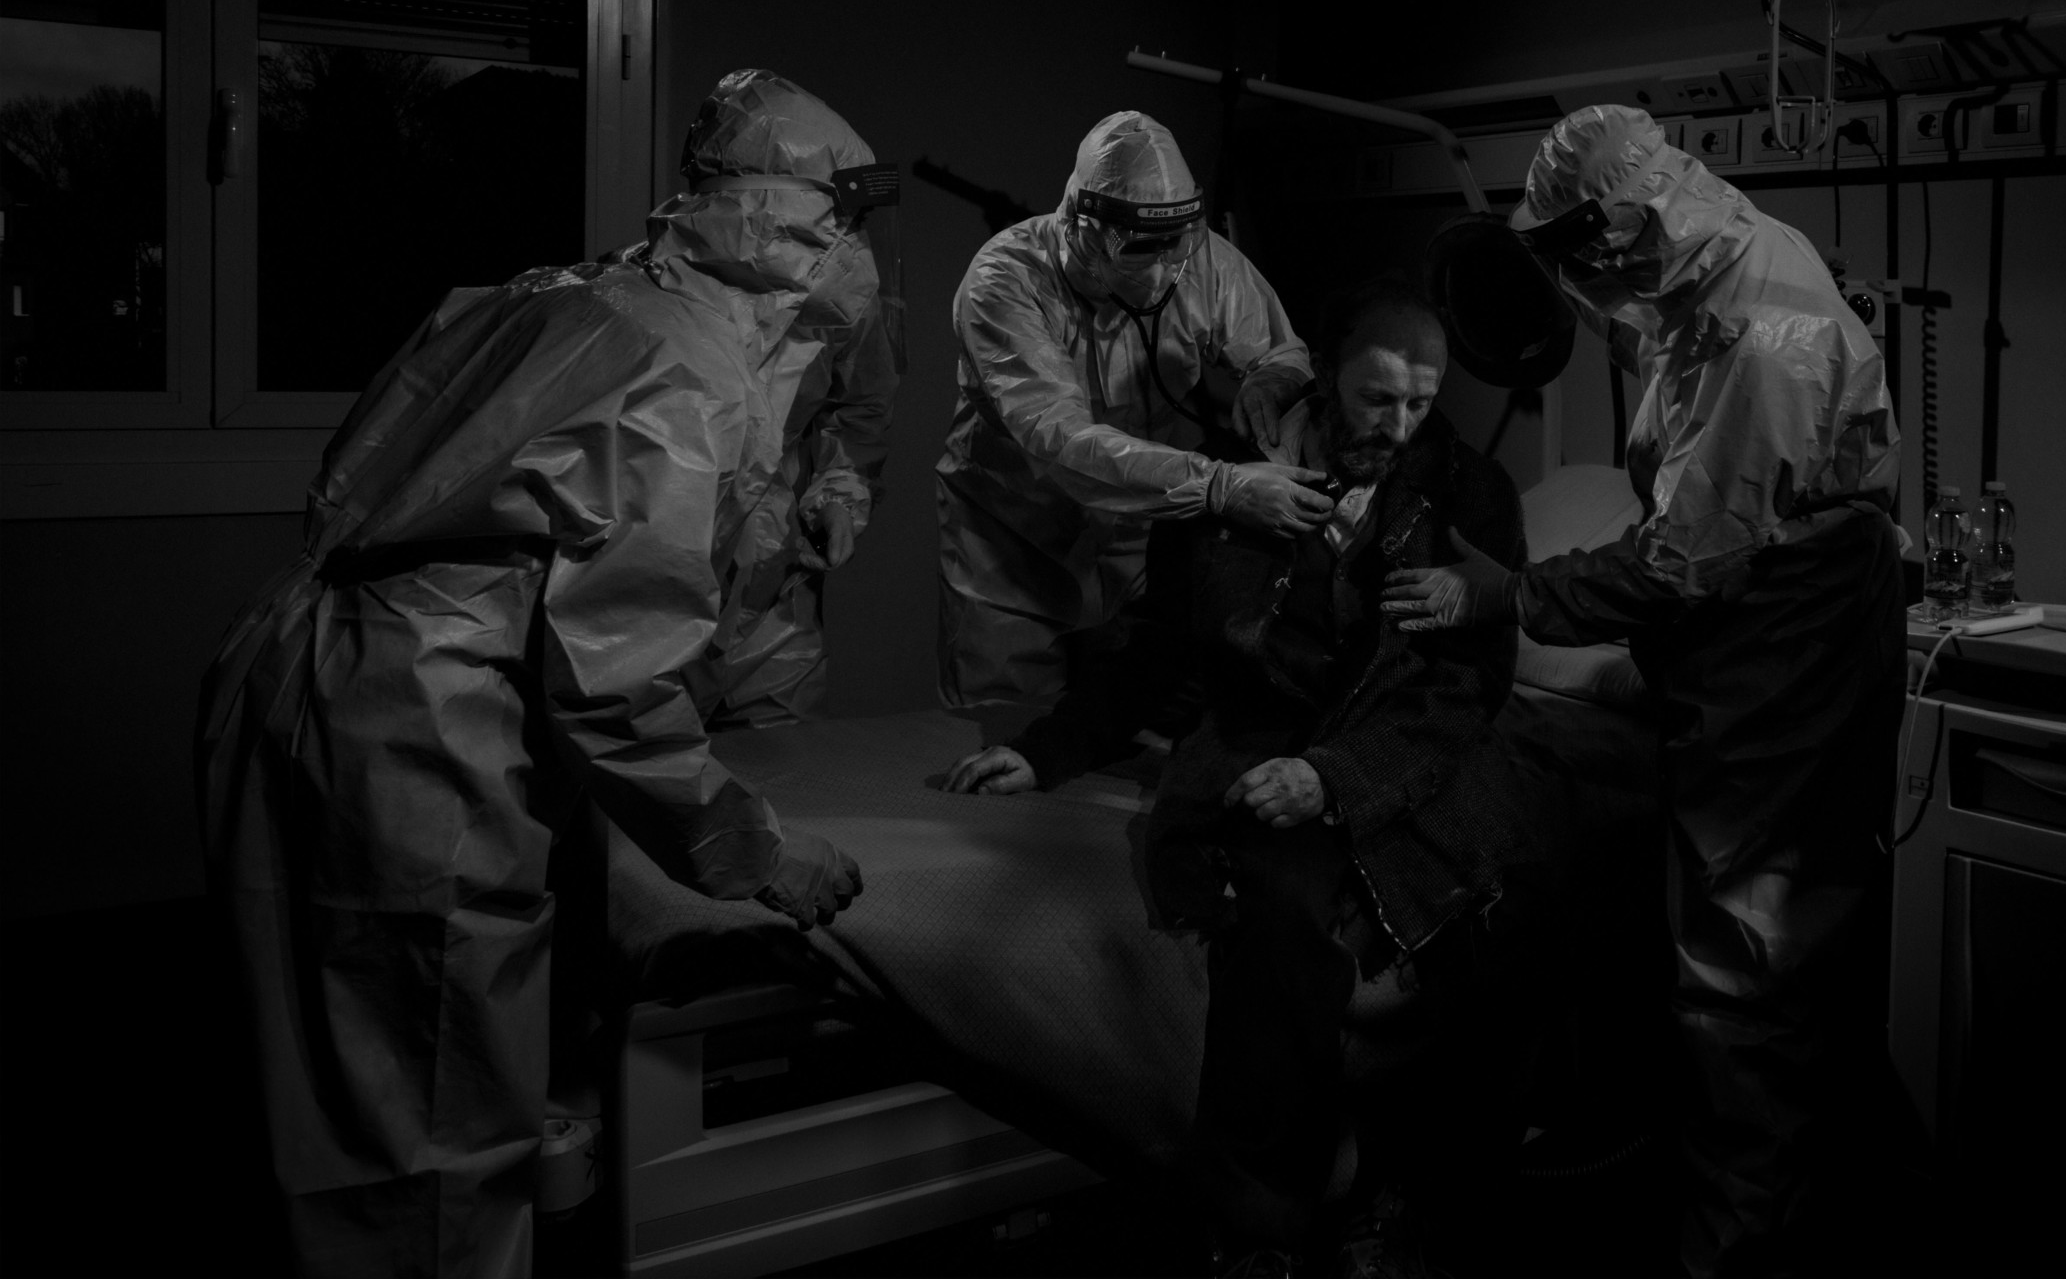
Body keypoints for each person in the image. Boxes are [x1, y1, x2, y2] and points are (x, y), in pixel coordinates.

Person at [198, 70, 874, 1279]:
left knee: (318, 1060)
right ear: (786, 232)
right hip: (420, 722)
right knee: (431, 1098)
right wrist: (757, 854)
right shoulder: (685, 374)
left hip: (295, 656)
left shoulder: (562, 293)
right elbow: (618, 686)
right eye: (843, 225)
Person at [1383, 104, 1905, 1279]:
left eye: (1577, 254)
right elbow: (1649, 375)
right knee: (1754, 948)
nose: (1579, 284)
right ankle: (1763, 1202)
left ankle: (1738, 1250)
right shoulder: (1693, 271)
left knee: (1745, 963)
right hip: (1743, 637)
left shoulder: (1763, 340)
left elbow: (1678, 560)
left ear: (1622, 226)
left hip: (1788, 640)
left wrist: (1508, 596)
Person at [960, 278, 1541, 1277]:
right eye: (1376, 398)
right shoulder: (1226, 487)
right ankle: (1260, 1224)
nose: (1399, 426)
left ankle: (1362, 1198)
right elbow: (1157, 648)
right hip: (1255, 738)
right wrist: (1049, 750)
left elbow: (1463, 688)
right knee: (1272, 889)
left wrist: (1334, 777)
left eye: (1421, 401)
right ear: (1323, 376)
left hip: (1398, 745)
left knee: (1364, 901)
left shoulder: (1467, 492)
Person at [933, 109, 1327, 716]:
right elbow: (1059, 437)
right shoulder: (1006, 280)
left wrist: (1270, 380)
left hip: (1139, 539)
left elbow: (1281, 350)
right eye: (1143, 247)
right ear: (1084, 227)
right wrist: (1218, 486)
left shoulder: (1202, 261)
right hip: (1012, 546)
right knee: (1004, 734)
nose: (1168, 267)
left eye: (1178, 243)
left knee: (1124, 719)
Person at [613, 71, 904, 727]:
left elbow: (860, 407)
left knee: (784, 770)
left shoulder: (837, 304)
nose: (854, 246)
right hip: (645, 605)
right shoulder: (636, 310)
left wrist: (838, 494)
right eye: (841, 220)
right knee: (645, 761)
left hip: (775, 591)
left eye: (859, 222)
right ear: (773, 214)